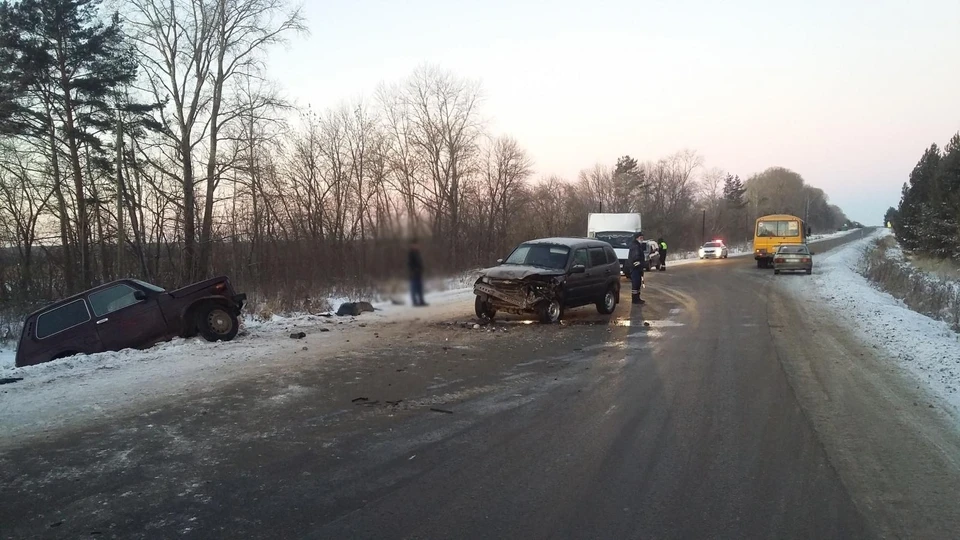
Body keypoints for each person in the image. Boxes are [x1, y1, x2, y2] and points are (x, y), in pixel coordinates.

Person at [627, 231, 647, 305]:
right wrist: (639, 264)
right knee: (636, 283)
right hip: (635, 268)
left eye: (642, 237)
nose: (642, 239)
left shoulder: (638, 245)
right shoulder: (635, 246)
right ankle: (635, 299)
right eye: (641, 237)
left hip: (637, 268)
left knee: (638, 283)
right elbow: (636, 257)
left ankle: (637, 298)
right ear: (637, 238)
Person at [408, 239, 427, 307]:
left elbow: (420, 262)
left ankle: (421, 300)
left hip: (419, 273)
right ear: (412, 245)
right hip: (413, 273)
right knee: (414, 287)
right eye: (414, 245)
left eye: (417, 245)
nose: (416, 246)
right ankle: (414, 302)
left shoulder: (417, 252)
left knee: (420, 288)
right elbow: (410, 264)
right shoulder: (411, 253)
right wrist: (414, 270)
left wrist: (421, 269)